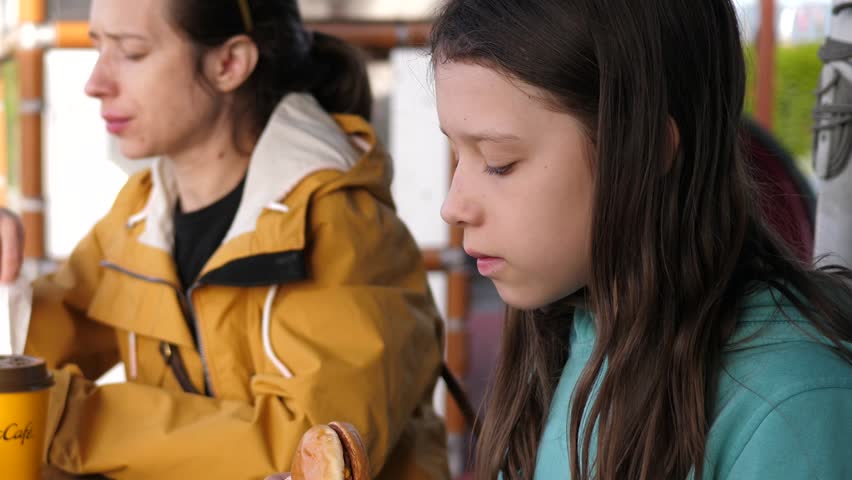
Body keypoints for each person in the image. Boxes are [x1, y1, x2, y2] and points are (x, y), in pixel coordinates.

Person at [0, 0, 449, 478]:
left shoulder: (340, 223)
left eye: (131, 53)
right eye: (98, 47)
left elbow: (315, 454)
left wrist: (66, 420)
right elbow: (32, 347)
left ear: (229, 63)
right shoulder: (140, 211)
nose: (96, 83)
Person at [430, 1, 852, 479]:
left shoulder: (792, 412)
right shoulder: (560, 337)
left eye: (498, 161)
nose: (453, 206)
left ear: (645, 152)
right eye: (456, 154)